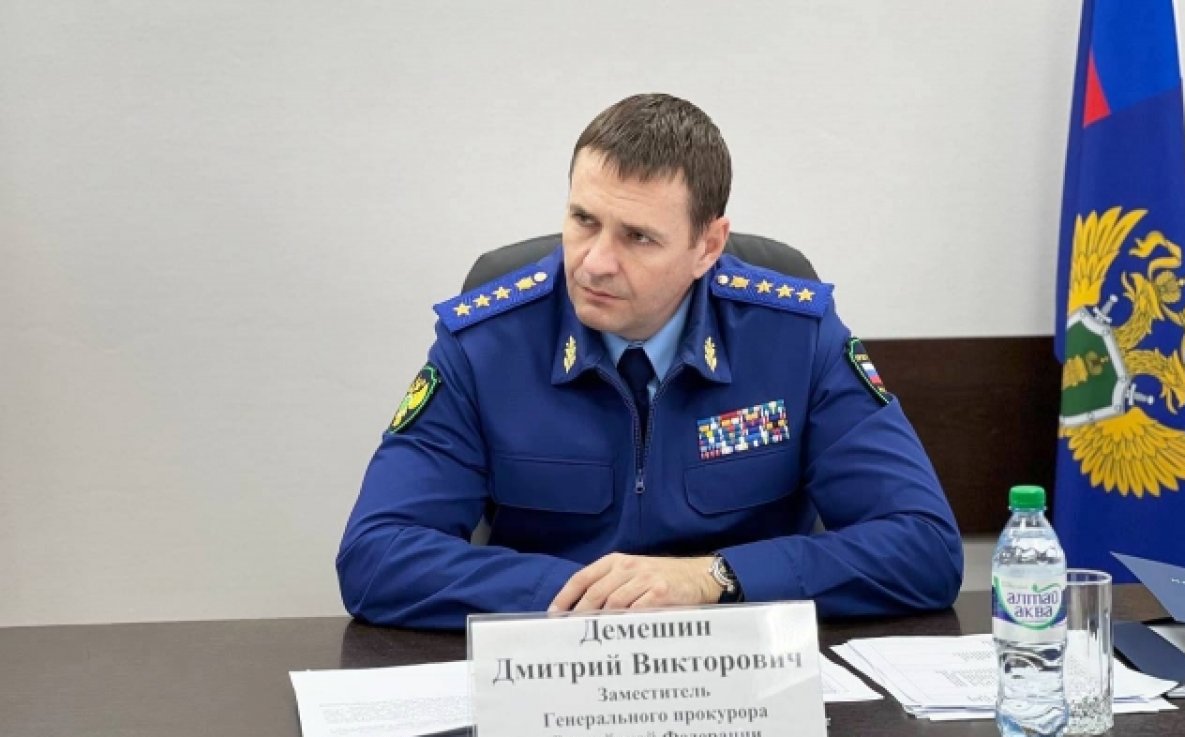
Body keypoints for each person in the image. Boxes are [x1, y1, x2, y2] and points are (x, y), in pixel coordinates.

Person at [337, 93, 963, 629]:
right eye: (583, 220)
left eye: (637, 237)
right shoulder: (486, 345)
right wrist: (588, 596)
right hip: (553, 674)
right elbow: (376, 555)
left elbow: (924, 547)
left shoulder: (795, 339)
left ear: (707, 246)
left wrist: (713, 578)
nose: (595, 262)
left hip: (747, 681)